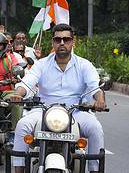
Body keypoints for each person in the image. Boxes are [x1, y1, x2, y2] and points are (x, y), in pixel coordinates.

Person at [11, 24, 106, 173]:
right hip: (43, 110)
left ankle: (95, 170)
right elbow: (27, 83)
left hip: (75, 111)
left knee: (96, 128)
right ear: (53, 43)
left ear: (73, 42)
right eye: (58, 39)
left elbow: (95, 88)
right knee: (22, 125)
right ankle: (19, 170)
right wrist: (18, 94)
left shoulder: (84, 65)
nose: (62, 43)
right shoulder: (41, 64)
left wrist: (100, 100)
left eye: (66, 39)